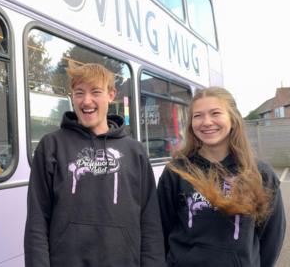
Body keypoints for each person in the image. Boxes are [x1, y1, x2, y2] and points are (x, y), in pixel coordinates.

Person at [24, 63, 165, 266]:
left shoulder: (135, 152)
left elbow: (150, 222)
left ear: (111, 94)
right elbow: (37, 220)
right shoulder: (51, 146)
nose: (86, 101)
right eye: (79, 93)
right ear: (72, 96)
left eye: (95, 92)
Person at [157, 87, 286, 267]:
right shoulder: (176, 172)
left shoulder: (260, 174)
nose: (206, 122)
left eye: (215, 113)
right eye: (198, 116)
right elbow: (161, 230)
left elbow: (271, 238)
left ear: (232, 119)